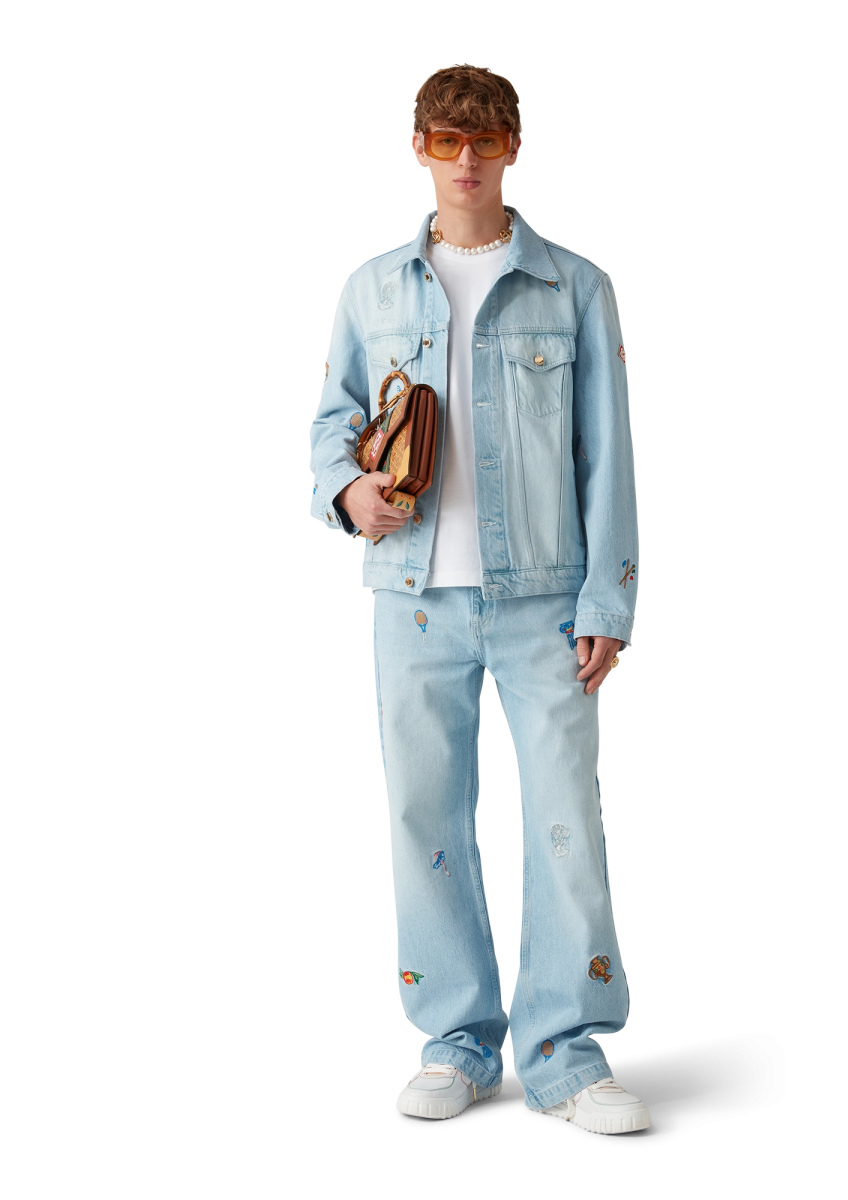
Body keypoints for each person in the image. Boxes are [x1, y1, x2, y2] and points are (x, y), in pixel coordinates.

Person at [308, 63, 647, 1133]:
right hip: (410, 597)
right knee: (425, 819)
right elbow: (333, 422)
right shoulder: (370, 290)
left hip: (546, 601)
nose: (466, 161)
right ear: (418, 147)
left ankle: (566, 1052)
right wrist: (347, 491)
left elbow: (609, 456)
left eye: (485, 141)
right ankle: (458, 1041)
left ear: (514, 147)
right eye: (447, 141)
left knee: (565, 820)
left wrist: (610, 602)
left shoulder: (576, 285)